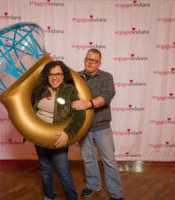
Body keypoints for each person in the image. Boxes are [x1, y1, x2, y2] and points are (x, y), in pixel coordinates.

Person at [71, 48, 123, 200]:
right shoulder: (77, 77)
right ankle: (93, 185)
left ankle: (116, 193)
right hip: (83, 127)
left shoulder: (106, 77)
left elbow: (106, 97)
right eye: (88, 59)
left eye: (94, 60)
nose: (90, 62)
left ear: (99, 63)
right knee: (88, 159)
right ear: (84, 59)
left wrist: (88, 104)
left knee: (109, 161)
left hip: (102, 127)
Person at [31, 60, 86, 200]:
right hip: (39, 136)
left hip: (58, 136)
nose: (54, 77)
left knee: (63, 170)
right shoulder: (40, 89)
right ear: (46, 76)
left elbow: (79, 115)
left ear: (64, 75)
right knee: (45, 168)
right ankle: (49, 196)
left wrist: (68, 132)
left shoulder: (70, 90)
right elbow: (31, 109)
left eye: (58, 74)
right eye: (51, 75)